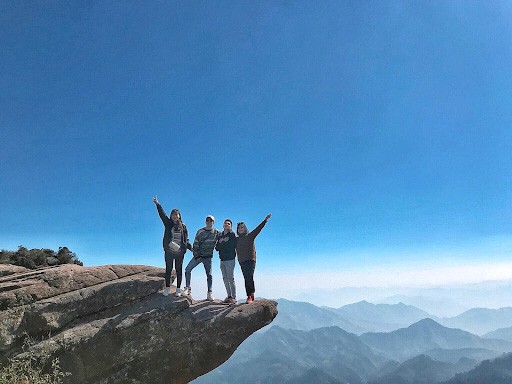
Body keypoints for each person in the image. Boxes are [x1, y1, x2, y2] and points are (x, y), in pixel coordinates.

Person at [152, 196, 192, 297]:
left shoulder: (183, 226)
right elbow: (162, 215)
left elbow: (186, 240)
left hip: (179, 252)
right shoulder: (168, 224)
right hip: (169, 251)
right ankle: (167, 288)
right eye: (173, 214)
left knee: (179, 270)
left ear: (179, 216)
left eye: (176, 214)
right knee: (168, 269)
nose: (174, 216)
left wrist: (191, 248)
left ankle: (178, 289)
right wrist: (157, 204)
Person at [183, 215, 220, 301]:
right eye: (207, 220)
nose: (208, 222)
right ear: (205, 221)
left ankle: (209, 293)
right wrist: (197, 256)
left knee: (209, 275)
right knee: (187, 269)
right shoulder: (200, 231)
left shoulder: (216, 232)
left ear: (213, 222)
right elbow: (195, 244)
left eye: (210, 221)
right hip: (199, 256)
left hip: (208, 257)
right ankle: (187, 288)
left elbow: (225, 236)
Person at [236, 213, 272, 303]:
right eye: (239, 228)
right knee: (246, 277)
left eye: (242, 227)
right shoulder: (236, 239)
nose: (241, 229)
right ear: (237, 230)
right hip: (242, 261)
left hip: (250, 260)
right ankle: (250, 295)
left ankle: (250, 295)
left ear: (245, 228)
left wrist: (265, 220)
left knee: (249, 276)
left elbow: (258, 229)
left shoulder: (250, 236)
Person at [215, 219, 237, 304]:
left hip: (230, 259)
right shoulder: (220, 235)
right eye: (225, 223)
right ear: (223, 225)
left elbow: (233, 245)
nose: (226, 225)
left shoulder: (232, 234)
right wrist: (222, 242)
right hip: (222, 260)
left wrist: (223, 243)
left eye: (228, 224)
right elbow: (217, 248)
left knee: (230, 278)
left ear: (231, 226)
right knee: (225, 278)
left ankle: (234, 297)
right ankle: (229, 296)